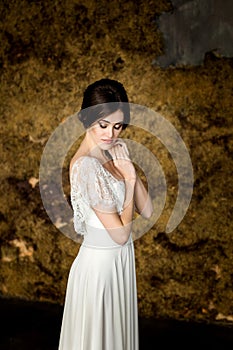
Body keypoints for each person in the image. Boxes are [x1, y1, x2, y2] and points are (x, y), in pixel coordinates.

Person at [58, 78, 153, 350]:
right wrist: (131, 180)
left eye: (118, 125)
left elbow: (147, 211)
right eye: (103, 125)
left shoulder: (112, 157)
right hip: (100, 269)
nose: (111, 134)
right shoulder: (86, 166)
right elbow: (121, 235)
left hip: (119, 264)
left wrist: (128, 168)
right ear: (87, 119)